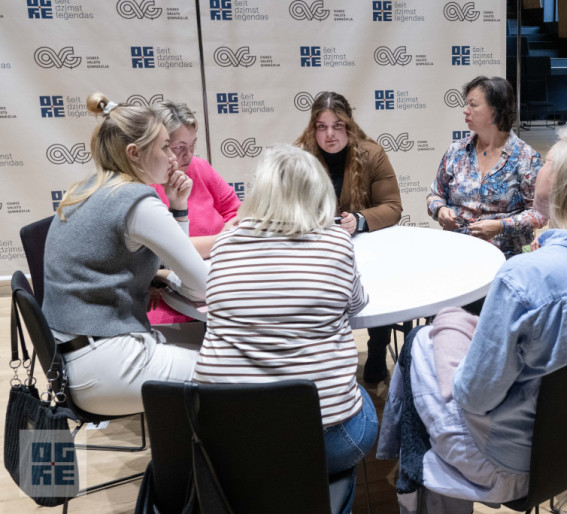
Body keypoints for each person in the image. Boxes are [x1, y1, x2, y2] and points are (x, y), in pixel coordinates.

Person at [378, 125, 567, 512]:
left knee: (420, 344)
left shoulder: (524, 278)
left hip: (511, 461)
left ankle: (408, 479)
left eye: (547, 162)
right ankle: (412, 475)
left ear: (565, 184)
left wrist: (450, 335)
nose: (538, 166)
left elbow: (474, 396)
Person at [192, 145, 378, 514]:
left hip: (226, 437)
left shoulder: (226, 243)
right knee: (365, 406)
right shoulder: (337, 243)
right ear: (319, 192)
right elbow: (357, 306)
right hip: (325, 440)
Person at [41, 93, 209, 416]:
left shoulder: (90, 188)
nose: (173, 158)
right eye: (164, 147)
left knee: (207, 345)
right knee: (233, 368)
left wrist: (176, 207)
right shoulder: (137, 202)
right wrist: (176, 212)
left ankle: (186, 461)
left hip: (77, 356)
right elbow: (199, 284)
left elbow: (174, 264)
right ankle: (197, 464)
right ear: (134, 153)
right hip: (107, 363)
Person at [294, 91, 403, 383]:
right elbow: (283, 208)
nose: (330, 134)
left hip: (365, 246)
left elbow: (392, 208)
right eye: (322, 126)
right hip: (312, 250)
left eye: (337, 126)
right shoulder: (298, 157)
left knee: (382, 289)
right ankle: (318, 359)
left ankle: (378, 348)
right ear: (312, 128)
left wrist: (361, 220)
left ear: (349, 125)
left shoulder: (371, 153)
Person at [426, 76, 547, 259]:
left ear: (495, 110)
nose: (465, 111)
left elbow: (541, 213)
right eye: (466, 104)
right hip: (455, 251)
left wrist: (500, 226)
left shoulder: (525, 157)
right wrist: (440, 210)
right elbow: (435, 194)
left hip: (505, 257)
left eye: (473, 105)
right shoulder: (456, 151)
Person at [147, 100, 241, 326]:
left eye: (192, 145)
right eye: (180, 148)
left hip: (217, 284)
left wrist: (205, 244)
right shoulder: (145, 185)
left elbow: (238, 214)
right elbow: (167, 254)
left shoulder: (200, 167)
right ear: (159, 145)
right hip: (170, 303)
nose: (188, 156)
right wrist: (223, 239)